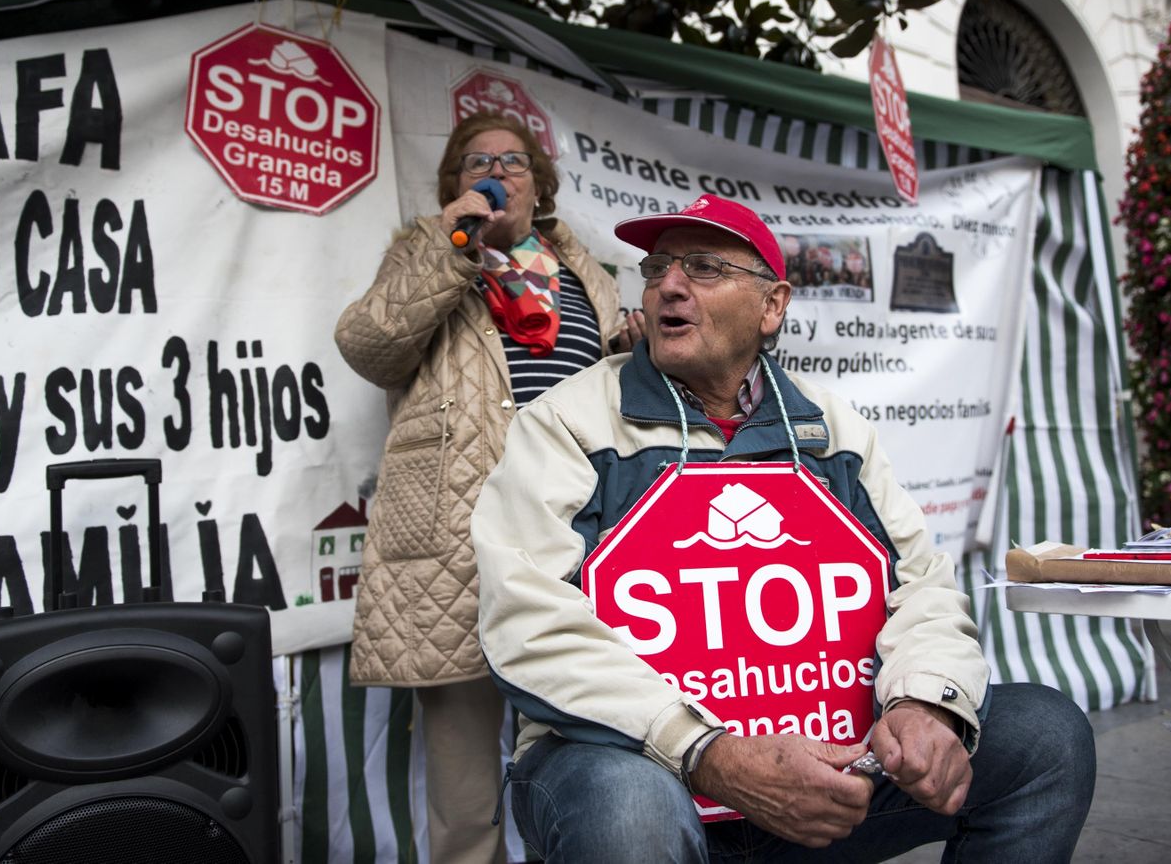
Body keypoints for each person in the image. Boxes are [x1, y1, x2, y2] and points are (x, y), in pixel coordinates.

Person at [471, 194, 1096, 862]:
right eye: (657, 269)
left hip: (826, 768)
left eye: (704, 268)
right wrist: (705, 751)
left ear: (773, 305)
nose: (669, 286)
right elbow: (526, 617)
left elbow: (923, 589)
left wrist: (924, 705)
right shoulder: (566, 423)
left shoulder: (835, 432)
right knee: (630, 813)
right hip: (636, 762)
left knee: (1046, 736)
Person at [335, 112, 633, 864]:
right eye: (475, 162)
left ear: (540, 184)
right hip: (457, 543)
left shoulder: (583, 271)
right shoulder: (427, 256)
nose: (494, 170)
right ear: (453, 187)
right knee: (466, 794)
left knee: (586, 757)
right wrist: (453, 245)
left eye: (513, 160)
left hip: (574, 532)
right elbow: (367, 346)